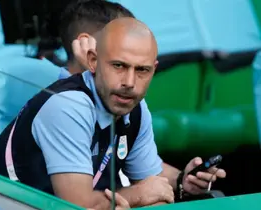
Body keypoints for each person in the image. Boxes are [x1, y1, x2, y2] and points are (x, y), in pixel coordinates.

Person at [57, 0, 226, 197]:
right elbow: (76, 203)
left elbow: (148, 174)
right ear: (87, 47)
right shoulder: (60, 105)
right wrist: (138, 195)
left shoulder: (128, 105)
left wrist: (182, 180)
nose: (130, 82)